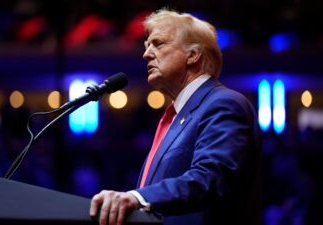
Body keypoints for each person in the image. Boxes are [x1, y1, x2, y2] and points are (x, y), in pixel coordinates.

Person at [90, 8, 261, 225]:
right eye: (146, 45)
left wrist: (138, 197)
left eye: (158, 44)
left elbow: (210, 178)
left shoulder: (224, 104)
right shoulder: (177, 116)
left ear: (193, 54)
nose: (146, 53)